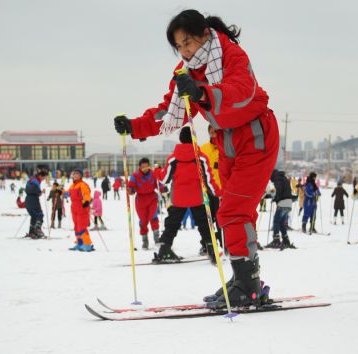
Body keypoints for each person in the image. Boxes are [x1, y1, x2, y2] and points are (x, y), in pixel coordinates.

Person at [113, 9, 279, 307]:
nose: (184, 51)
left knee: (233, 210)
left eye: (187, 42)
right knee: (234, 212)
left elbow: (243, 91)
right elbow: (170, 111)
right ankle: (245, 278)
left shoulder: (231, 54)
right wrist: (134, 125)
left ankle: (248, 285)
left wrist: (203, 94)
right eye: (178, 46)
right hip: (225, 140)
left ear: (204, 34)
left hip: (255, 135)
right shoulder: (186, 73)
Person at [153, 126, 221, 263]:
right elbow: (209, 179)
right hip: (198, 197)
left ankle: (164, 249)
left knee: (172, 224)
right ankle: (211, 249)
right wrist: (218, 193)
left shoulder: (173, 158)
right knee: (204, 224)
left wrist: (157, 171)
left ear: (180, 139)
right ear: (194, 138)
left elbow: (165, 179)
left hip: (178, 198)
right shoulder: (201, 157)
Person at [128, 158, 161, 250]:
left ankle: (156, 237)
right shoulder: (135, 176)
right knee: (143, 220)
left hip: (152, 198)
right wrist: (131, 190)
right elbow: (131, 186)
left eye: (146, 166)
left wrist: (162, 188)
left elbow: (158, 184)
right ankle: (145, 240)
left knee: (153, 217)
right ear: (139, 167)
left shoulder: (153, 174)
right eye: (143, 167)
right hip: (140, 200)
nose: (145, 168)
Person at [200, 124, 223, 247]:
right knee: (207, 220)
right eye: (211, 132)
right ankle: (207, 244)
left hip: (221, 191)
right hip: (206, 190)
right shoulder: (202, 149)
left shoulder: (225, 148)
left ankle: (223, 242)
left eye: (216, 132)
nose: (214, 134)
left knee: (221, 219)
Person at [266, 170, 295, 249]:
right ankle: (286, 241)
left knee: (276, 222)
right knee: (282, 223)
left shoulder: (277, 179)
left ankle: (276, 240)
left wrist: (274, 198)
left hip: (282, 203)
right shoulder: (284, 178)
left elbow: (278, 191)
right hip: (289, 203)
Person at [67, 168, 94, 251]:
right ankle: (80, 243)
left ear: (80, 176)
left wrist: (86, 201)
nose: (75, 175)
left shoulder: (83, 184)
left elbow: (86, 194)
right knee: (76, 227)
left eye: (77, 174)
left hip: (82, 207)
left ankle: (87, 244)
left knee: (81, 226)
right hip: (74, 208)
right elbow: (68, 193)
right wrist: (60, 192)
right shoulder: (72, 186)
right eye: (74, 174)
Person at [25, 169, 48, 239]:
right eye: (44, 177)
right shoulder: (36, 181)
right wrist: (40, 192)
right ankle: (37, 230)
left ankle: (31, 232)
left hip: (28, 200)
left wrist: (39, 192)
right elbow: (36, 191)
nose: (44, 179)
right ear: (40, 176)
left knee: (34, 216)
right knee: (39, 214)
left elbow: (30, 190)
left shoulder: (31, 180)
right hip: (33, 200)